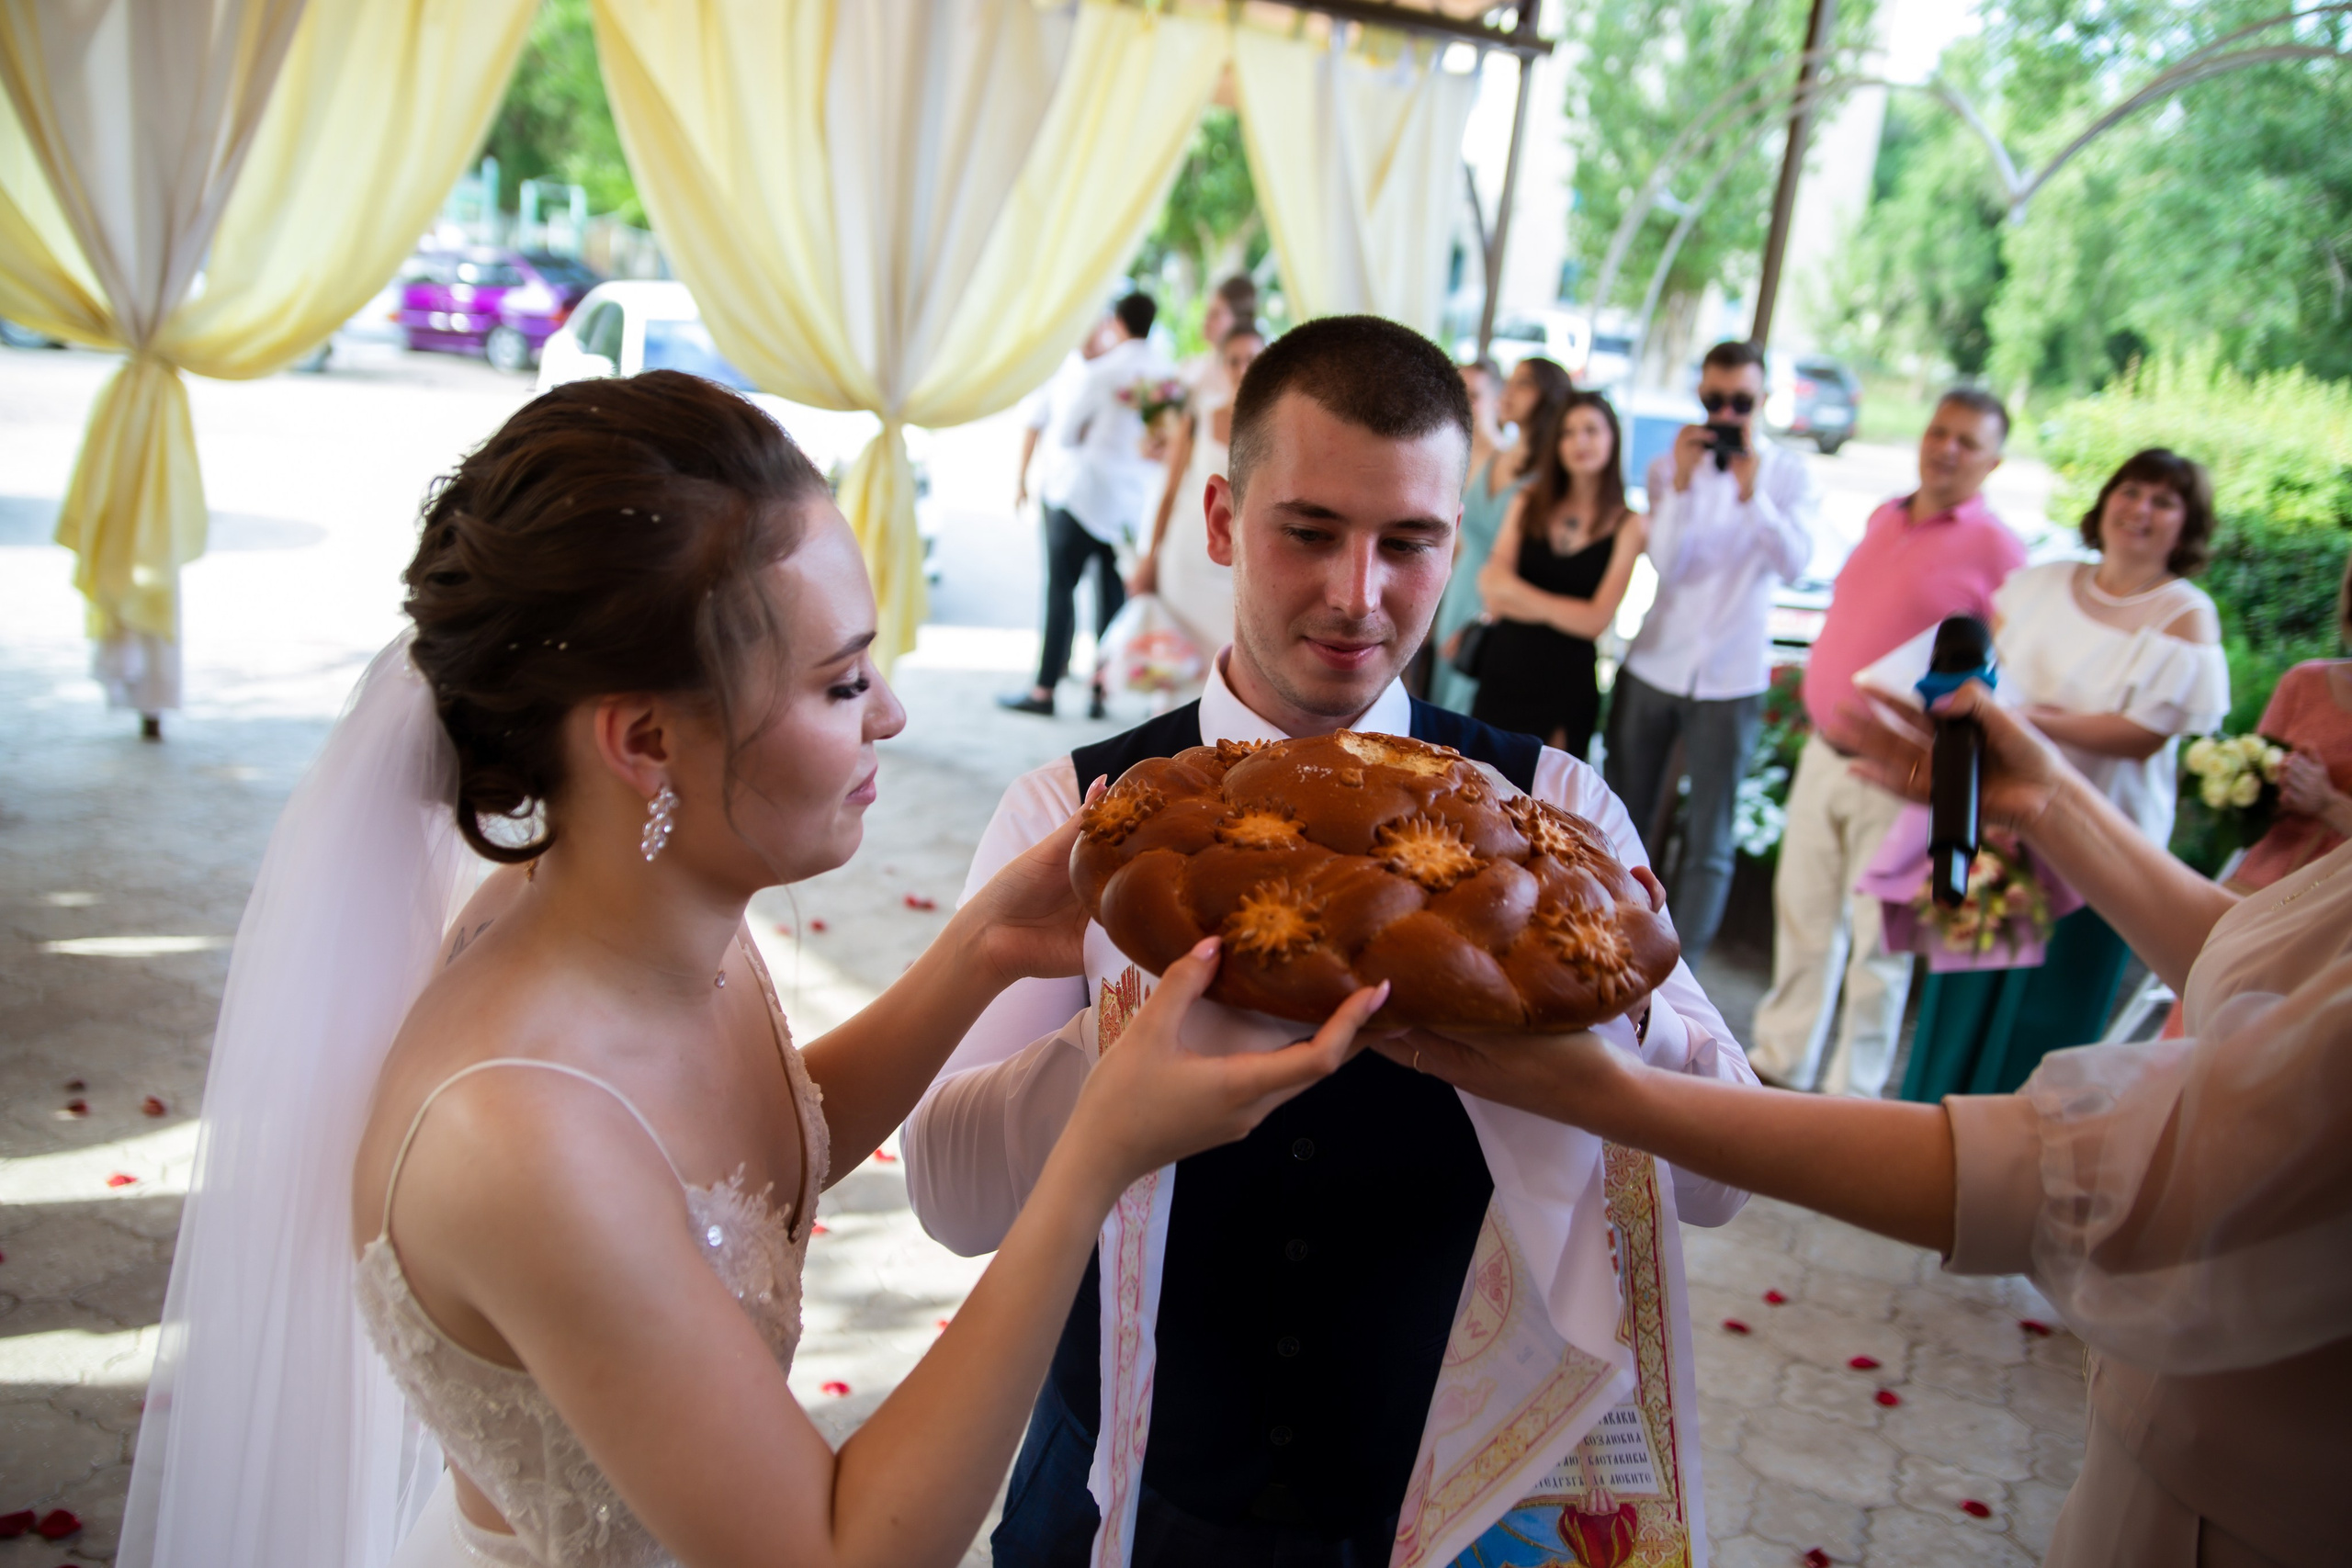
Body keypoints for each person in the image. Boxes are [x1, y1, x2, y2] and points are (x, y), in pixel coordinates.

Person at [118, 371, 1380, 1568]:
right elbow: (835, 1545)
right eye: (840, 682)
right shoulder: (516, 1132)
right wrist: (1096, 1156)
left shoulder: (618, 916)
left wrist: (983, 950)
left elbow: (735, 1157)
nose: (890, 713)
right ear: (646, 737)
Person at [904, 317, 1757, 1568]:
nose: (1359, 593)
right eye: (1308, 531)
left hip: (1445, 1494)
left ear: (1453, 544)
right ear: (1217, 519)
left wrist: (1615, 1023)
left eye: (1407, 542)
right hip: (1124, 1480)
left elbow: (1716, 1183)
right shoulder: (1073, 817)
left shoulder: (1557, 816)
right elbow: (949, 1197)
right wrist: (1124, 1041)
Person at [1387, 682, 2352, 1568]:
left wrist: (1613, 1090)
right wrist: (2047, 802)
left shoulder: (1554, 791)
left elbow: (2112, 1176)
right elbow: (2273, 964)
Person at [1896, 447, 2227, 1100]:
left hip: (2098, 843)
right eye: (2132, 492)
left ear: (2186, 525)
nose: (2141, 510)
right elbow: (1978, 682)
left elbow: (2142, 733)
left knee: (2044, 1021)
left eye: (2164, 502)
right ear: (2106, 501)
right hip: (1996, 830)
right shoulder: (2038, 584)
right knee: (1957, 1007)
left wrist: (2026, 720)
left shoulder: (2184, 612)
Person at [1746, 389, 2023, 1095]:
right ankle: (1780, 1058)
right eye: (1939, 431)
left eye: (1967, 440)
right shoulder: (1884, 515)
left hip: (1902, 775)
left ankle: (1854, 1091)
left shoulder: (1999, 549)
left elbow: (2006, 671)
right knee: (1804, 913)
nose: (1947, 448)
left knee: (1880, 940)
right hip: (1826, 749)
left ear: (1992, 462)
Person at [1602, 339, 1817, 967]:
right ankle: (1609, 936)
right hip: (1656, 660)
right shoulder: (1674, 466)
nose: (1725, 413)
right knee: (1624, 811)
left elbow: (1797, 565)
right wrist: (1684, 485)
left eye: (1740, 401)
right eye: (1712, 399)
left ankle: (1678, 970)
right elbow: (1666, 561)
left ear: (1764, 401)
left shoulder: (1788, 474)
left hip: (1731, 674)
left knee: (1709, 837)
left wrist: (1756, 499)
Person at [1003, 292, 1172, 719]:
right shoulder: (1166, 377)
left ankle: (1044, 690)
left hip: (1084, 497)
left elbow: (1064, 435)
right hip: (1131, 506)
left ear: (1118, 322)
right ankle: (1100, 691)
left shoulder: (1104, 372)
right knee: (1111, 598)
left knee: (1060, 591)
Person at [1469, 390, 1646, 761]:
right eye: (1567, 432)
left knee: (1549, 804)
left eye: (1591, 430)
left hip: (1567, 683)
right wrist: (1565, 611)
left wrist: (1519, 595)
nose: (1579, 441)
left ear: (1613, 438)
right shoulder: (1529, 499)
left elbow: (1595, 621)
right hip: (1505, 670)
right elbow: (1490, 586)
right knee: (1483, 787)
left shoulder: (1629, 524)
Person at [1428, 355, 1574, 715]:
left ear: (1548, 396)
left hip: (1496, 610)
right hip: (1458, 589)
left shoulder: (1551, 478)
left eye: (1523, 384)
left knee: (1465, 713)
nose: (1508, 392)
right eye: (1509, 381)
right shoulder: (1492, 457)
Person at [1132, 321, 1267, 660]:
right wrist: (1149, 558)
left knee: (1230, 659)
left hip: (1241, 566)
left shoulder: (1277, 426)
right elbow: (1170, 490)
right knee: (1174, 664)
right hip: (1187, 554)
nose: (1242, 368)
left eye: (1251, 358)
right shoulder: (1199, 417)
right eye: (1233, 360)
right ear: (1222, 365)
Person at [2224, 551, 2352, 891]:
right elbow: (2249, 809)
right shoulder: (2304, 682)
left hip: (2334, 919)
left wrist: (2328, 803)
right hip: (2255, 892)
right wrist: (2267, 789)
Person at [1458, 355, 1504, 476]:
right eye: (1459, 394)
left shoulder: (1502, 458)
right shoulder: (1450, 451)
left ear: (1498, 399)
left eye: (1474, 395)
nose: (1463, 402)